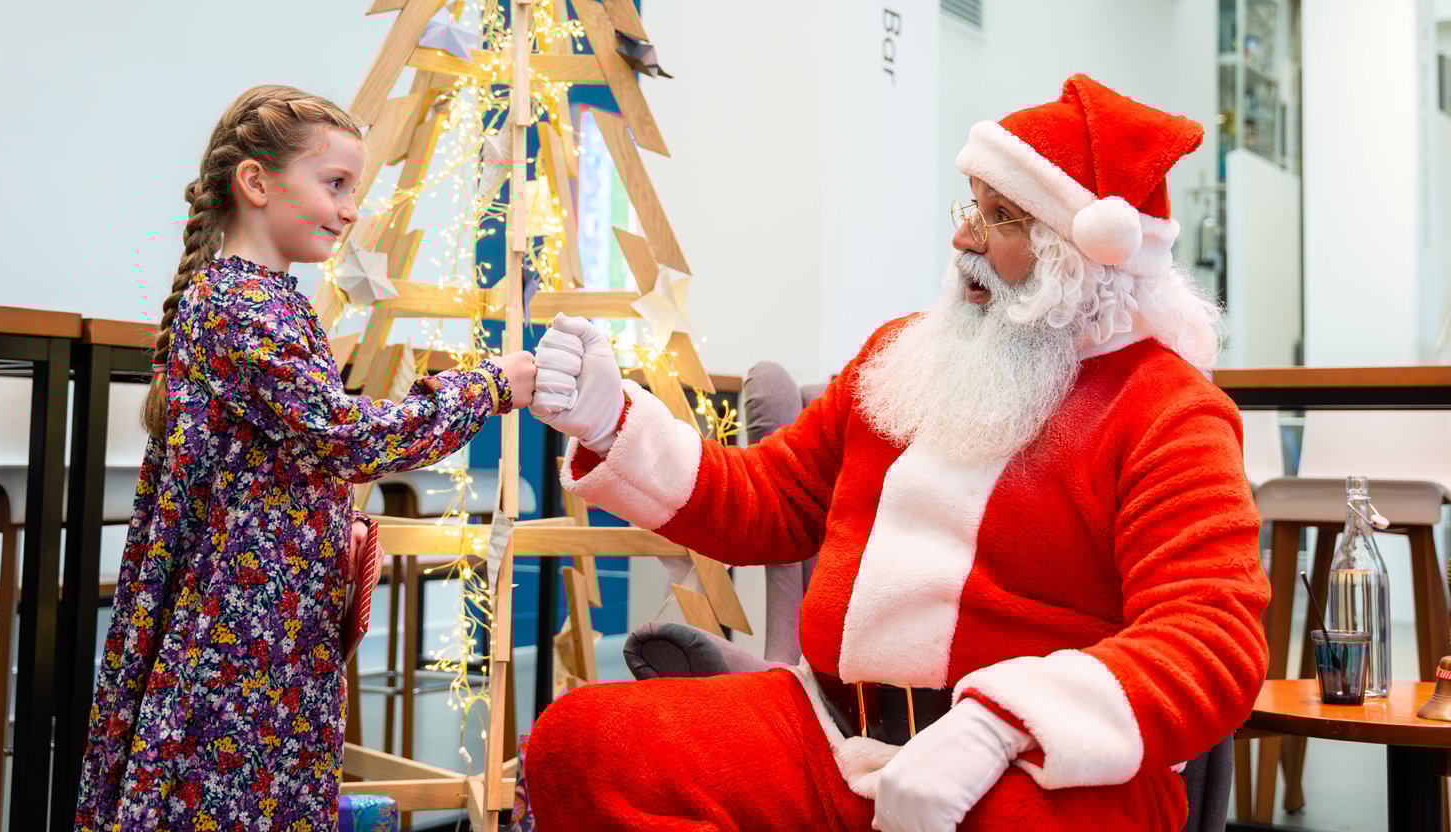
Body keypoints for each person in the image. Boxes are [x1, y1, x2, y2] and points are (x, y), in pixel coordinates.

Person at [523, 74, 1270, 832]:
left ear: (1083, 256)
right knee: (584, 744)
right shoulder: (903, 353)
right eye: (971, 206)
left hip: (1026, 767)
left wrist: (999, 726)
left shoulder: (1168, 411)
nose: (965, 237)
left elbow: (1212, 640)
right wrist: (613, 422)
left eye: (1001, 217)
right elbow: (771, 501)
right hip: (830, 734)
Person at [74, 84, 536, 831]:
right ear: (256, 182)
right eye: (335, 184)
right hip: (241, 631)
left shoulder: (269, 301)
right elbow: (346, 437)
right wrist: (486, 387)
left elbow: (294, 454)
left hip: (274, 621)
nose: (350, 210)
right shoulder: (241, 307)